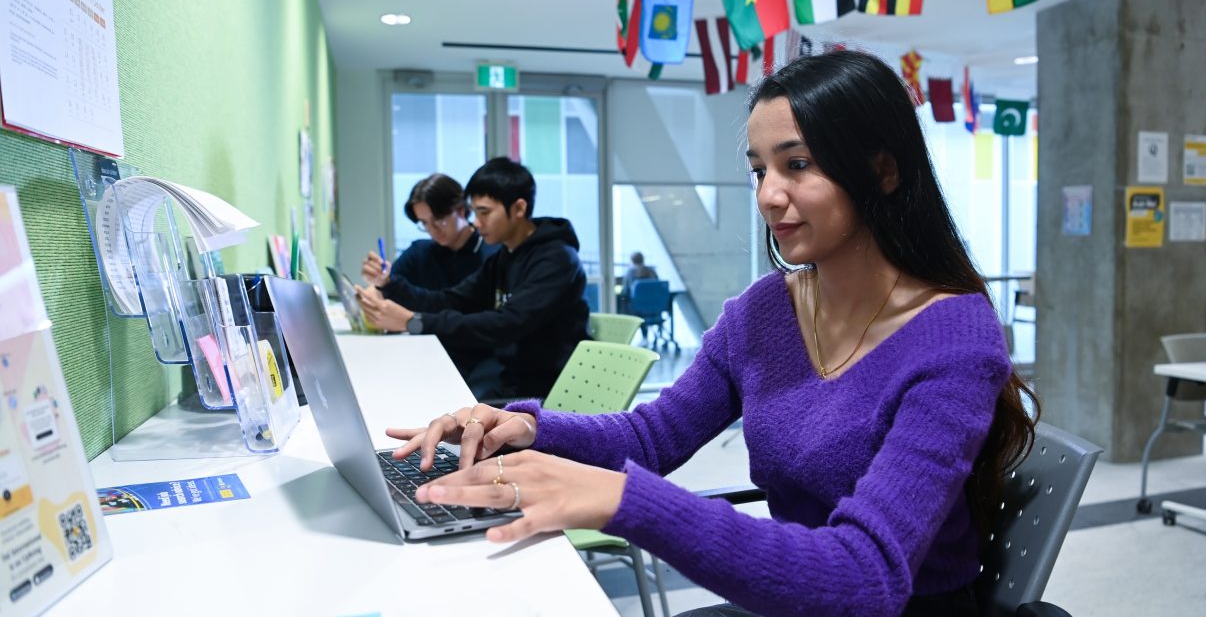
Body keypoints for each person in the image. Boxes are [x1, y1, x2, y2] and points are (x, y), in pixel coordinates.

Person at [385, 51, 1038, 616]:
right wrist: (526, 427)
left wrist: (625, 501)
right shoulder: (763, 312)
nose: (768, 195)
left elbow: (866, 575)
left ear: (883, 171)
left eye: (798, 164)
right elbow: (653, 435)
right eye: (759, 169)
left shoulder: (953, 336)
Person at [357, 157, 589, 400]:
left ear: (519, 209)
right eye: (476, 212)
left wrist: (413, 322)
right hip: (511, 380)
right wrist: (390, 285)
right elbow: (451, 300)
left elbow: (505, 324)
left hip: (543, 392)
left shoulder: (557, 259)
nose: (476, 223)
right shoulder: (504, 257)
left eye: (485, 212)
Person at [362, 173, 499, 299]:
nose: (432, 230)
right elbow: (377, 291)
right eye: (424, 223)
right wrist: (379, 280)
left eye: (439, 220)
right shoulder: (420, 253)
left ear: (461, 210)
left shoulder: (492, 253)